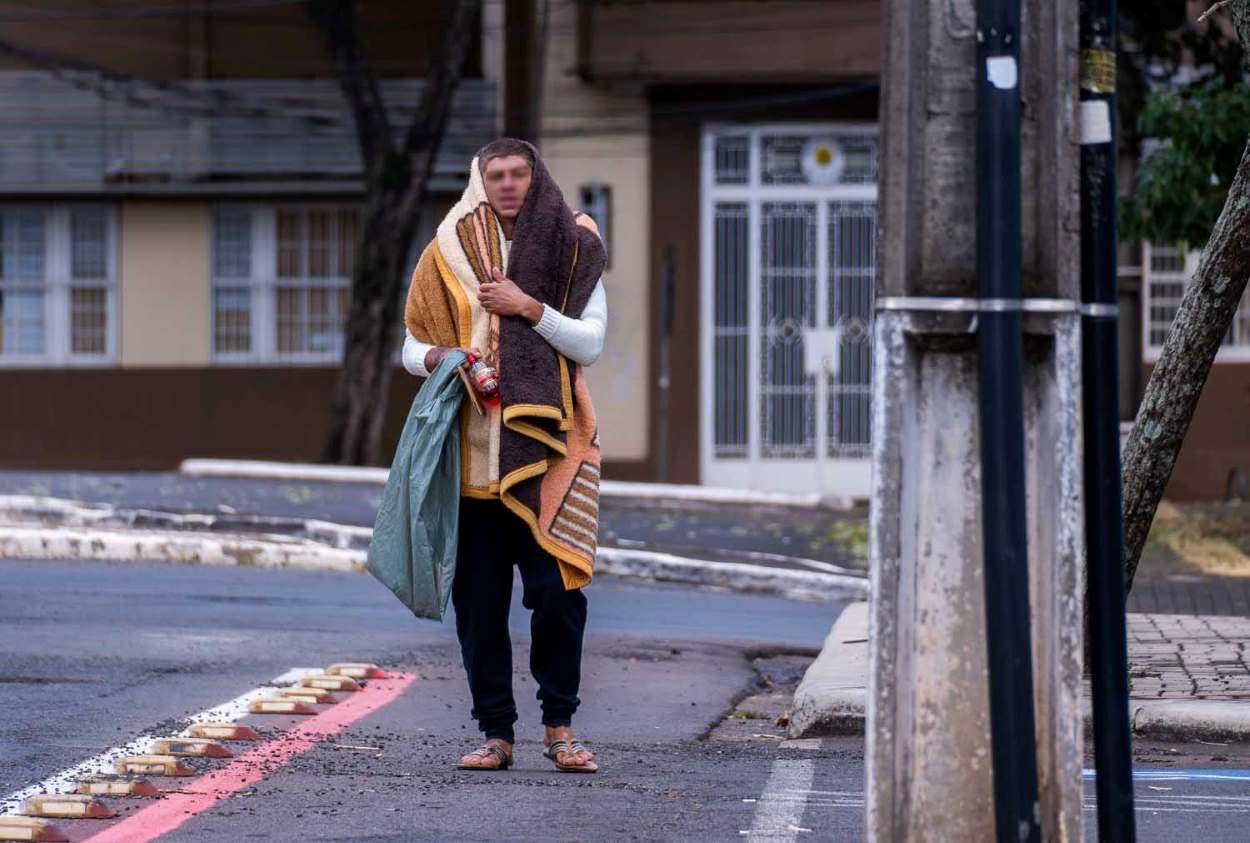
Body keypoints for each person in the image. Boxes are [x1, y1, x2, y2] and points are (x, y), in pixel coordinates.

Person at [401, 138, 607, 773]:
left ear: (536, 177)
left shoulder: (575, 244)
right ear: (481, 181)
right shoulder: (447, 250)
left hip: (551, 453)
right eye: (498, 174)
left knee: (560, 595)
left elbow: (590, 343)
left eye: (520, 173)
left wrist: (528, 308)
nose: (509, 183)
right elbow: (410, 346)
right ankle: (496, 735)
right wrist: (447, 358)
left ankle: (560, 728)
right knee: (479, 607)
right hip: (471, 460)